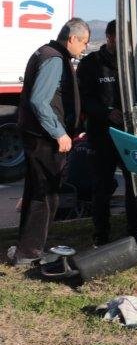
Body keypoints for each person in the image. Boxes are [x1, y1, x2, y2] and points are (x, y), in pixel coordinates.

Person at [7, 18, 89, 266]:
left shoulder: (46, 52)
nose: (84, 48)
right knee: (45, 195)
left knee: (36, 192)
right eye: (83, 42)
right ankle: (30, 253)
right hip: (45, 138)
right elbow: (40, 101)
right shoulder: (54, 58)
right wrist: (59, 133)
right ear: (72, 39)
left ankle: (26, 249)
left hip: (38, 136)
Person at [78, 20, 137, 246]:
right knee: (102, 186)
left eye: (126, 38)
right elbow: (83, 100)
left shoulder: (133, 63)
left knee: (134, 182)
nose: (122, 43)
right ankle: (101, 233)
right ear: (108, 37)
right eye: (118, 38)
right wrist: (106, 112)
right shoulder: (91, 64)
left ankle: (135, 229)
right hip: (101, 135)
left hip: (129, 134)